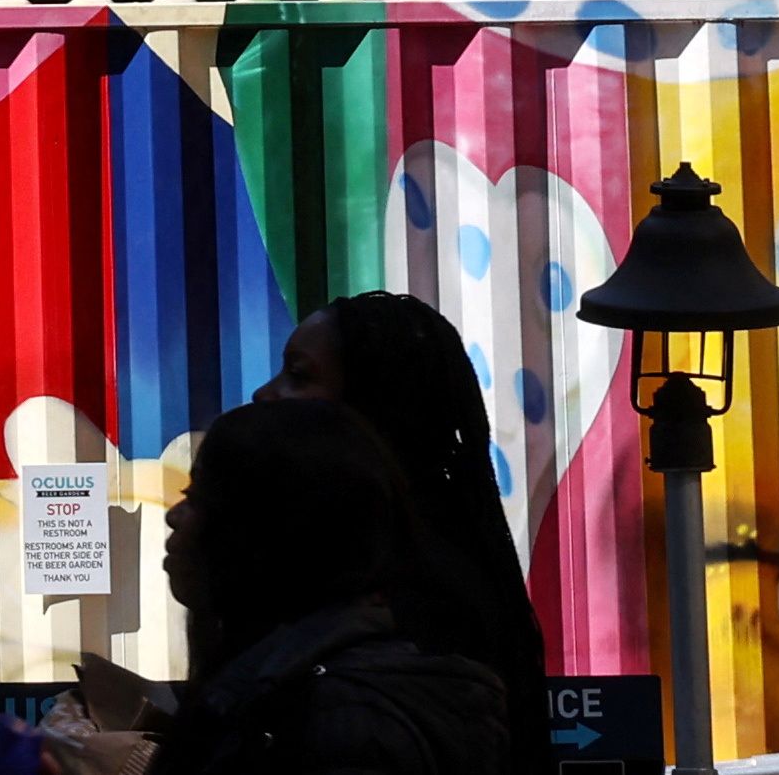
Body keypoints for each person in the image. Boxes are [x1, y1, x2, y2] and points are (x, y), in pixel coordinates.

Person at [144, 397, 506, 775]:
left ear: (264, 528)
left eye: (197, 495)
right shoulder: (284, 689)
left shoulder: (339, 721)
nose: (173, 515)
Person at [272, 294, 556, 775]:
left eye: (299, 376)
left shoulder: (413, 596)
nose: (266, 395)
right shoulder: (415, 566)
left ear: (376, 407)